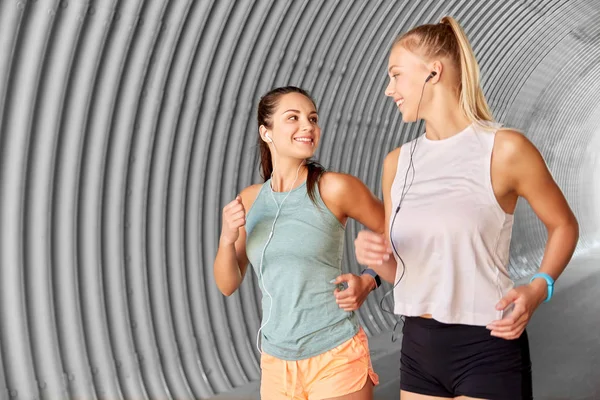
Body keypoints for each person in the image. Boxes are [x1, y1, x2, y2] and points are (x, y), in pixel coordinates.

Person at [353, 16, 579, 400]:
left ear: (433, 72)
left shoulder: (504, 149)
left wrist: (539, 288)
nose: (389, 90)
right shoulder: (397, 163)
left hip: (487, 343)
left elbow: (564, 225)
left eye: (396, 75)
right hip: (419, 348)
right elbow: (406, 271)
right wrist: (376, 260)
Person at [213, 86, 384, 399]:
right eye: (293, 118)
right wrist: (227, 238)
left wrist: (369, 280)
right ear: (267, 133)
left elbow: (400, 233)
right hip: (277, 363)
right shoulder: (251, 200)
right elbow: (227, 284)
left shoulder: (335, 188)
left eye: (312, 118)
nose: (308, 126)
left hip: (335, 353)